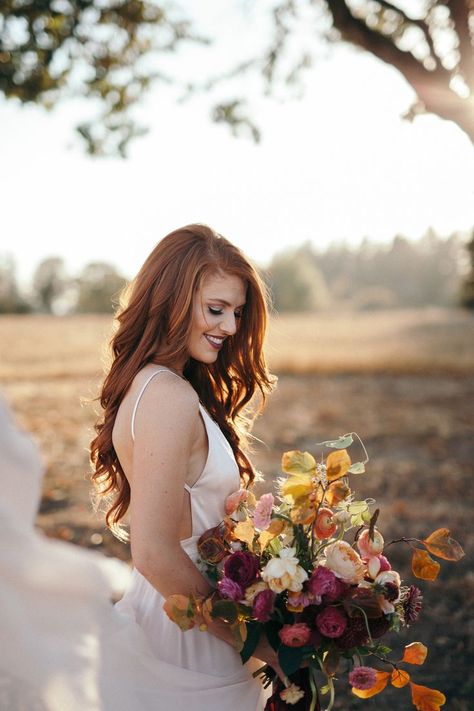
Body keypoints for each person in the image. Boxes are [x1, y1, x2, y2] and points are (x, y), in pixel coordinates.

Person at [90, 224, 279, 710]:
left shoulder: (151, 386)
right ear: (170, 299)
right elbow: (154, 552)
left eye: (236, 313)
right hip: (191, 638)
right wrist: (258, 641)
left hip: (174, 614)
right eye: (215, 310)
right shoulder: (169, 396)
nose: (231, 328)